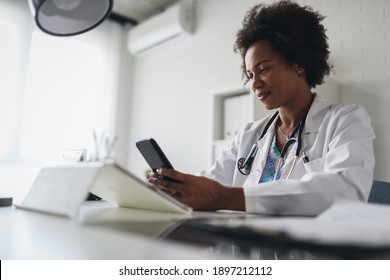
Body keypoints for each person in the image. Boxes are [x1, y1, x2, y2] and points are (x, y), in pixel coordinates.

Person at [148, 0, 375, 216]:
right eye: (250, 75)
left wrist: (228, 198)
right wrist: (176, 186)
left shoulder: (345, 120)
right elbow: (211, 181)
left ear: (299, 64)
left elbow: (346, 191)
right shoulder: (250, 135)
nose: (255, 84)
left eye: (264, 69)